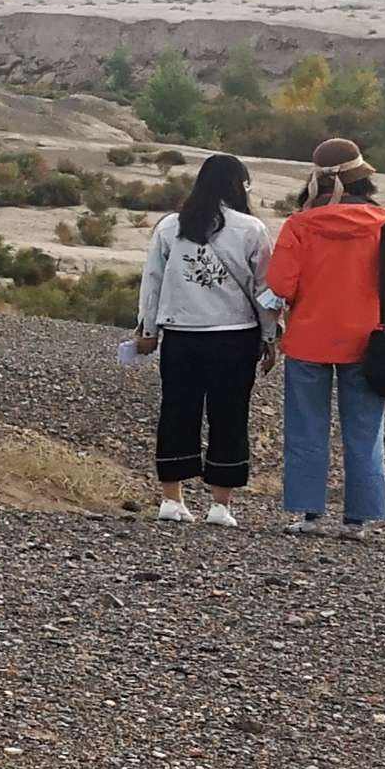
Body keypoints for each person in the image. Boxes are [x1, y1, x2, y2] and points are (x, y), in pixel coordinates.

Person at [264, 137, 385, 540]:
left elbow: (280, 283)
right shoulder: (384, 224)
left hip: (308, 341)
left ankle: (309, 515)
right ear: (361, 179)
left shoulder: (299, 225)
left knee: (306, 429)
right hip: (366, 344)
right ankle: (358, 521)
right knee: (364, 432)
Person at [134, 153, 277, 526]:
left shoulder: (169, 226)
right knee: (229, 415)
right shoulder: (251, 229)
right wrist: (269, 336)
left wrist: (148, 329)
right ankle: (220, 505)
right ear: (239, 185)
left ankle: (171, 499)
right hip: (234, 337)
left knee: (177, 411)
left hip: (180, 336)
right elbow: (265, 289)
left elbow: (153, 281)